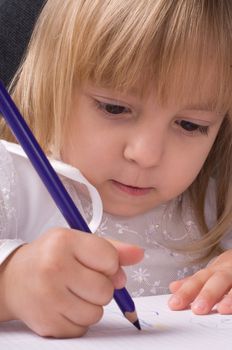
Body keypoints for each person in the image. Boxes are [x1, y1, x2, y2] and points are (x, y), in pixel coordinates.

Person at [0, 0, 232, 339]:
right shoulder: (11, 177)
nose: (146, 155)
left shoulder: (214, 204)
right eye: (114, 107)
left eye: (189, 125)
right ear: (49, 83)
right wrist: (10, 284)